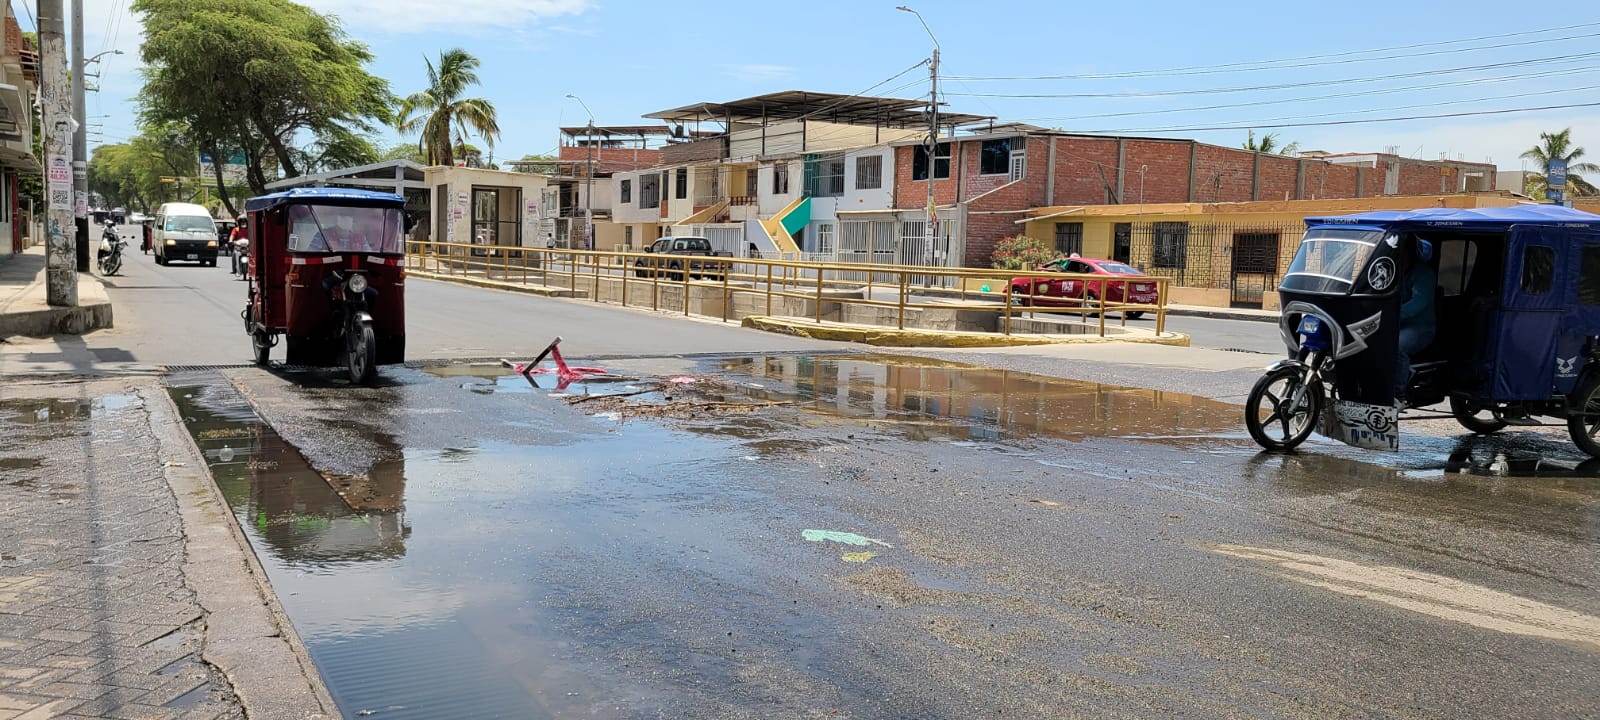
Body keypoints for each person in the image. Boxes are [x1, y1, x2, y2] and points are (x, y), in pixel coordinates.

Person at [1396, 239, 1436, 407]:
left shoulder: (1423, 274)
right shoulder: (1393, 271)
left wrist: (1394, 315)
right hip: (1395, 324)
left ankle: (1397, 394)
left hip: (1420, 328)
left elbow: (1418, 303)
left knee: (1397, 347)